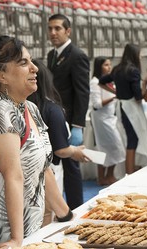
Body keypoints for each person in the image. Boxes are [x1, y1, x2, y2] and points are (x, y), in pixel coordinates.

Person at [0, 36, 72, 248]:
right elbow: (13, 175)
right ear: (1, 76)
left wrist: (67, 216)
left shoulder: (30, 108)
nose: (34, 68)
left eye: (31, 61)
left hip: (31, 229)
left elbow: (44, 171)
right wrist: (16, 240)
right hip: (2, 233)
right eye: (23, 63)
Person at [28, 59, 91, 226]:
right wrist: (75, 151)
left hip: (26, 174)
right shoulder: (51, 109)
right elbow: (60, 149)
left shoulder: (24, 107)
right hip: (49, 171)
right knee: (46, 214)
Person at [47, 13, 90, 210]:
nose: (53, 33)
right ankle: (57, 208)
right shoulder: (51, 55)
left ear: (68, 31)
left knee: (72, 167)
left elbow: (82, 93)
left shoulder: (77, 55)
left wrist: (78, 126)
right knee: (55, 166)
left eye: (57, 28)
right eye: (50, 29)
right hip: (54, 119)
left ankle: (76, 210)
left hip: (71, 120)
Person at [99, 44, 147, 175]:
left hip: (122, 107)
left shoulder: (118, 69)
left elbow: (101, 81)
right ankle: (130, 171)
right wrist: (145, 86)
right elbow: (138, 97)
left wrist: (115, 92)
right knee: (133, 139)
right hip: (131, 108)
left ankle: (131, 169)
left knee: (131, 138)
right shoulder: (133, 70)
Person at [90, 57, 125, 185]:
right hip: (101, 119)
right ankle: (102, 177)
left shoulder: (110, 81)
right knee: (104, 147)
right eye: (106, 65)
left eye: (110, 65)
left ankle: (109, 175)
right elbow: (97, 104)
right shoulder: (95, 82)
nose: (109, 67)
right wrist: (115, 96)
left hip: (110, 118)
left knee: (115, 148)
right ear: (99, 66)